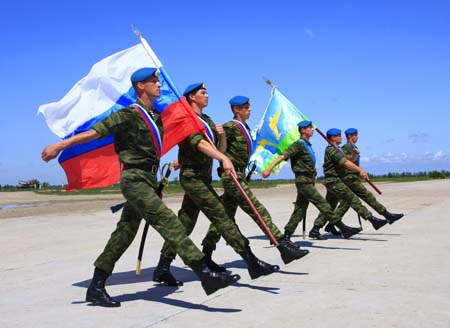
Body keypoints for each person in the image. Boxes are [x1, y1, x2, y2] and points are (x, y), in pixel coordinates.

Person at [41, 68, 240, 307]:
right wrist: (61, 145)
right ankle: (203, 272)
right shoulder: (128, 114)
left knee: (125, 233)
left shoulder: (156, 117)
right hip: (134, 180)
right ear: (140, 86)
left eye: (157, 80)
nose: (158, 84)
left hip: (149, 180)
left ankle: (96, 286)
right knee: (168, 222)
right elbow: (95, 133)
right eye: (153, 81)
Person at [154, 83, 279, 287]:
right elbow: (199, 144)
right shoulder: (187, 118)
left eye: (207, 92)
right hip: (192, 177)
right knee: (222, 215)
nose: (207, 95)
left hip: (203, 177)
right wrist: (223, 158)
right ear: (192, 97)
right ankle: (252, 262)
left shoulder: (208, 120)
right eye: (203, 93)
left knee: (185, 223)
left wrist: (221, 138)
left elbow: (218, 147)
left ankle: (162, 267)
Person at [199, 96, 309, 268]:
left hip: (241, 175)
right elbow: (214, 147)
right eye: (245, 107)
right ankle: (282, 245)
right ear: (236, 110)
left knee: (224, 216)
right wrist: (221, 138)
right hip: (232, 176)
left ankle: (205, 254)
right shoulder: (230, 127)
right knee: (256, 208)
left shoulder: (245, 128)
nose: (249, 109)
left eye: (249, 106)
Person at [262, 121, 362, 240]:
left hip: (308, 180)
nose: (312, 130)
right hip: (303, 180)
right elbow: (283, 155)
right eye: (309, 128)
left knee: (300, 209)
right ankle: (343, 228)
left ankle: (287, 235)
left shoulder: (307, 144)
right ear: (303, 130)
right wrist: (269, 169)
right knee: (323, 204)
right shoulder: (299, 144)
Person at [309, 128, 389, 239]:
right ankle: (372, 220)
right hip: (334, 181)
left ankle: (315, 229)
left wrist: (355, 155)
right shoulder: (331, 150)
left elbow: (348, 159)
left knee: (329, 206)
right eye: (339, 136)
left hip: (335, 181)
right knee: (353, 200)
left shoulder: (337, 149)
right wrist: (360, 170)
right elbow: (346, 164)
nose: (341, 138)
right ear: (333, 138)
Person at [331, 128, 404, 226]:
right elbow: (347, 163)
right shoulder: (347, 147)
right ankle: (387, 215)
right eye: (356, 135)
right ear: (350, 136)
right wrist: (357, 168)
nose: (357, 137)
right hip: (350, 178)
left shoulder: (353, 147)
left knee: (346, 203)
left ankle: (331, 224)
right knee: (367, 196)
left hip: (354, 177)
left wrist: (361, 173)